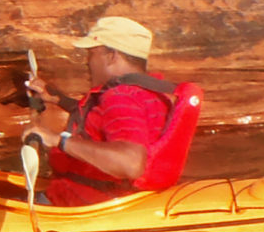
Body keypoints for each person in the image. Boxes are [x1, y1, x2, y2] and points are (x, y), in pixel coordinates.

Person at [23, 15, 183, 206]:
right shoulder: (146, 92)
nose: (87, 61)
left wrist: (59, 140)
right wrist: (58, 98)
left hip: (83, 202)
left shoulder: (121, 97)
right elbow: (105, 119)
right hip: (114, 195)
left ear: (111, 56)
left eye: (91, 54)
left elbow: (130, 163)